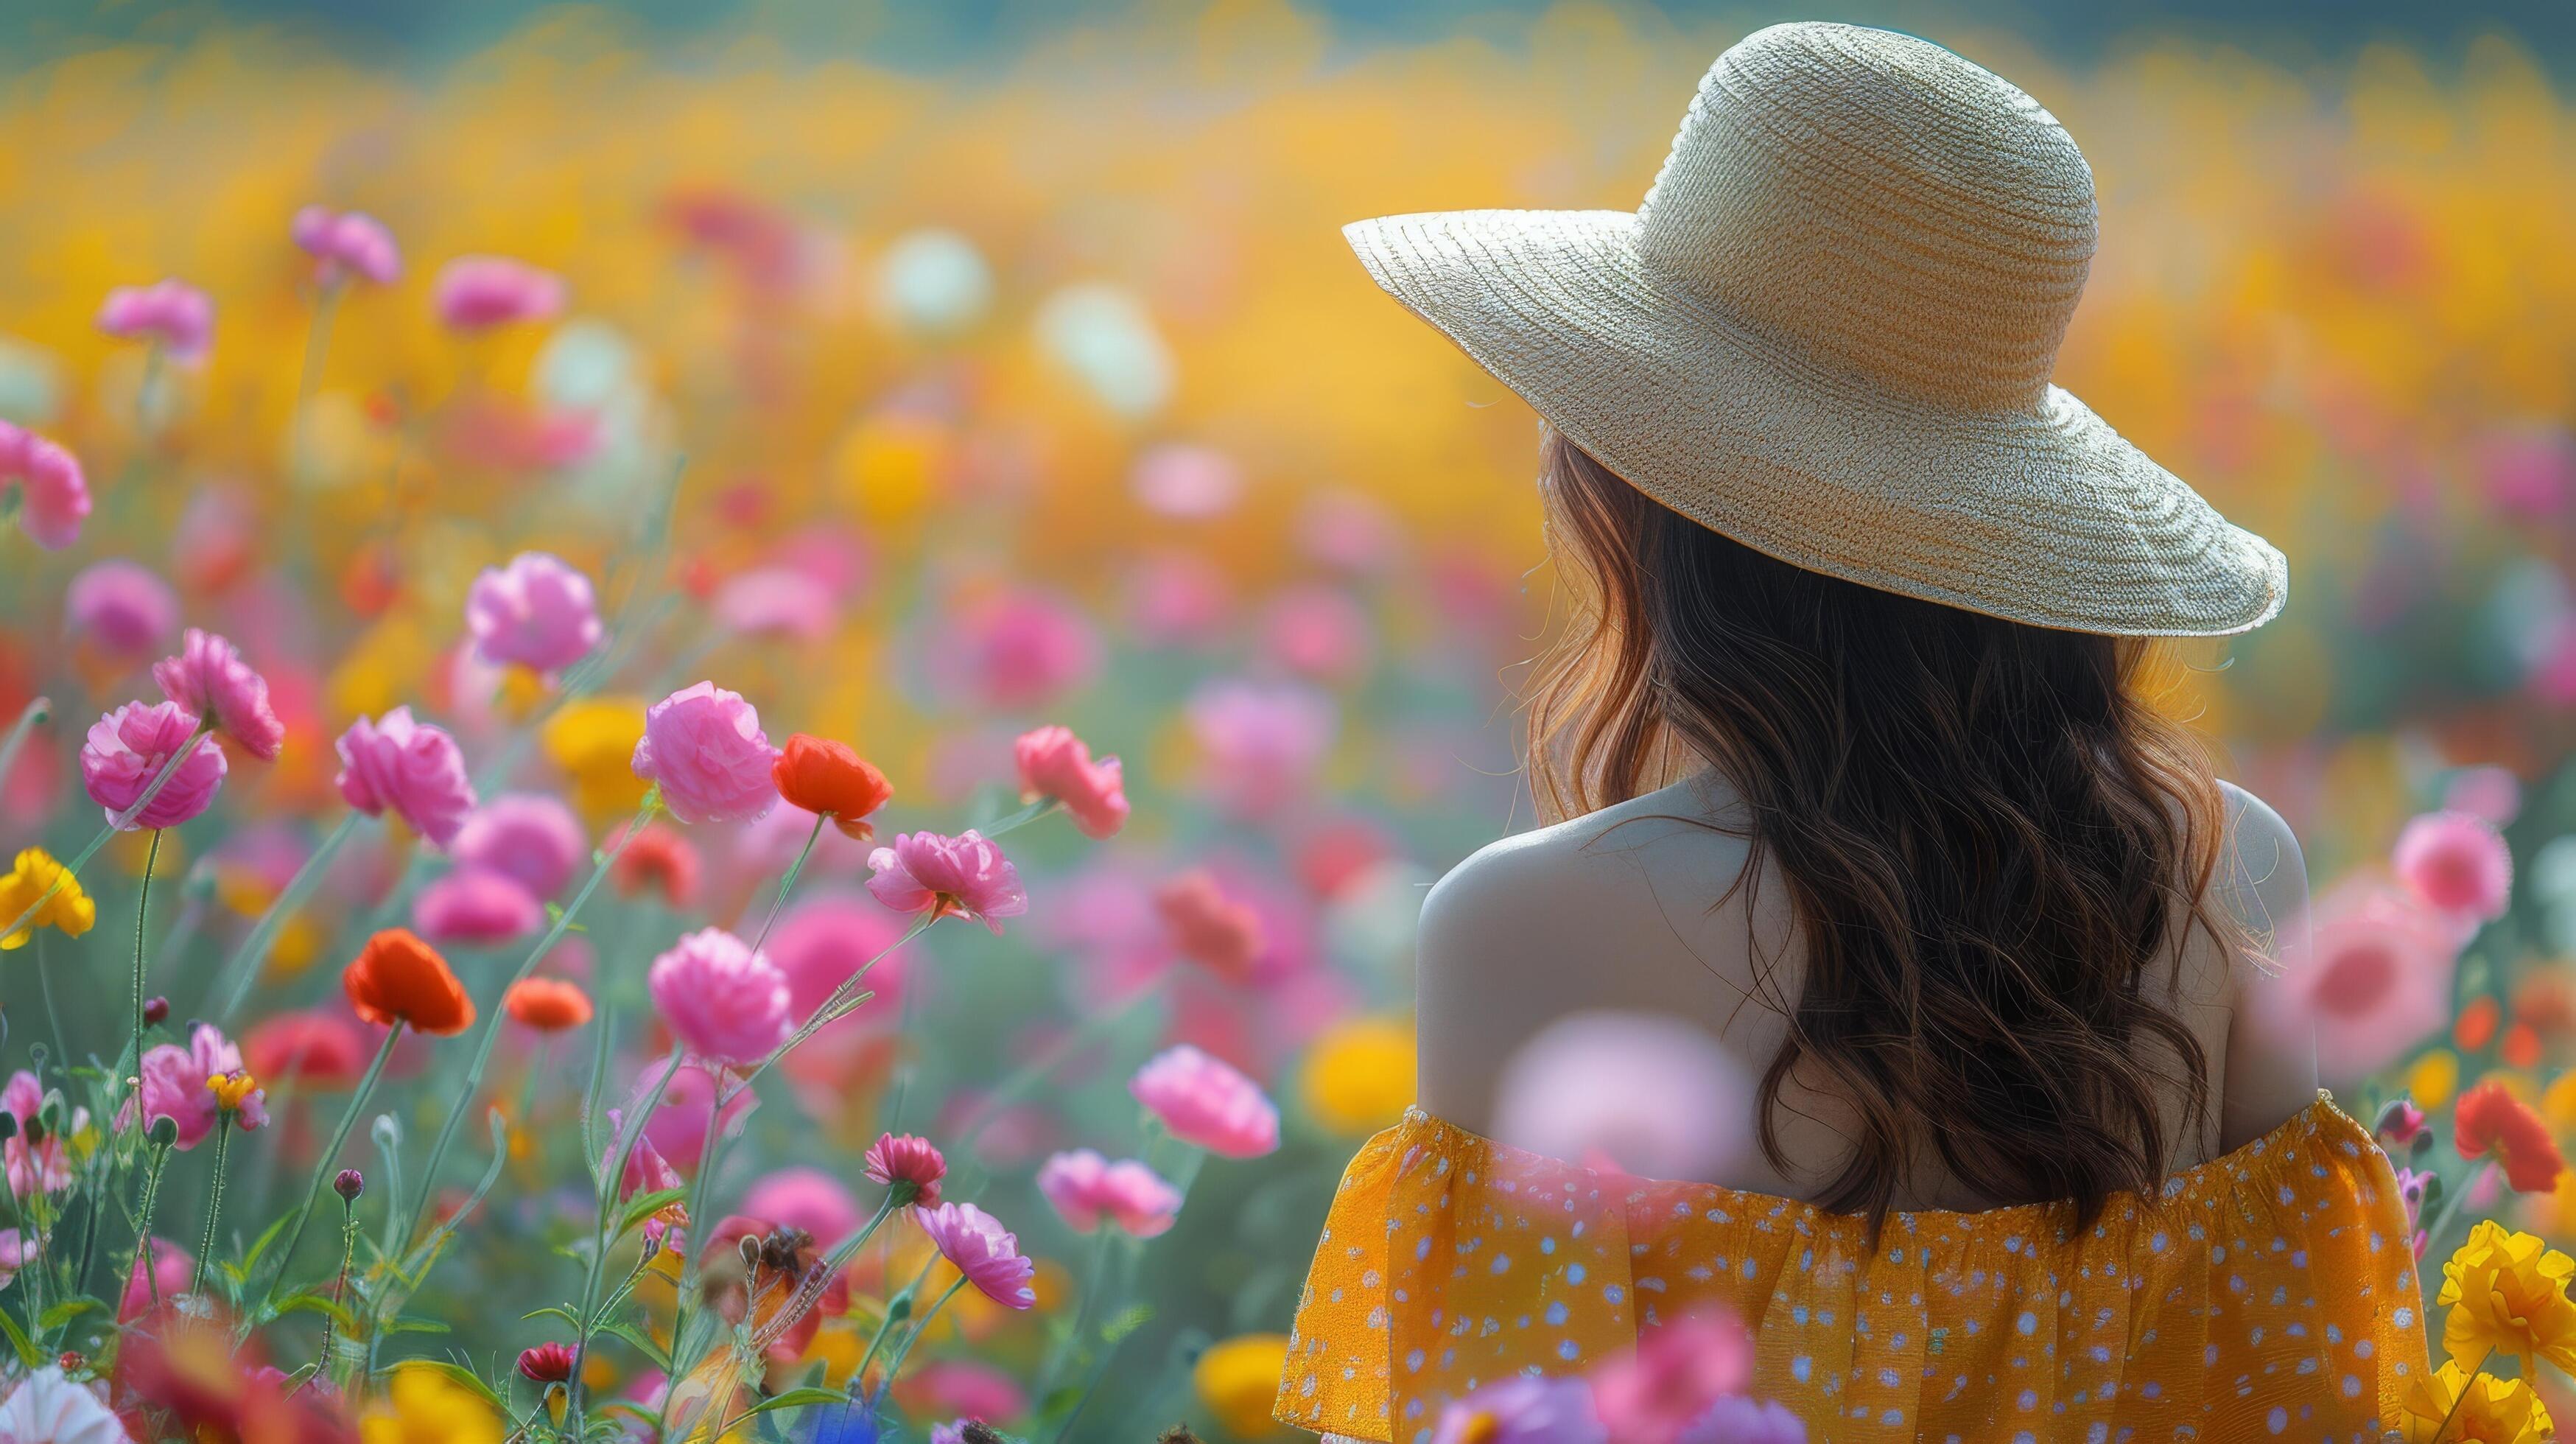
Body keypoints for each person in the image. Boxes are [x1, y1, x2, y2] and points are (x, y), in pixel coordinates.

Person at [1276, 21, 2427, 1444]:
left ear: (1630, 490)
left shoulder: (1527, 924)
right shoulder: (2222, 865)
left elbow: (1496, 1422)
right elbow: (2304, 1410)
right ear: (2015, 530)